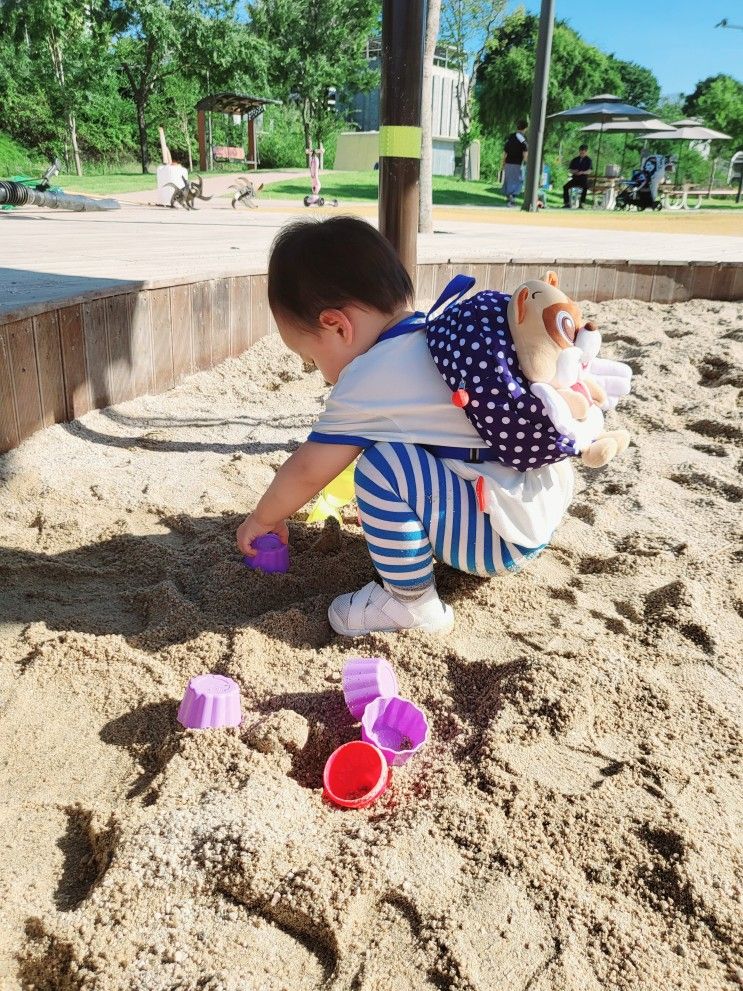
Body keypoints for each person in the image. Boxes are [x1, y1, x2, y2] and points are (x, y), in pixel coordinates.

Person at [235, 217, 630, 638]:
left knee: (381, 467)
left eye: (310, 358)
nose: (320, 373)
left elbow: (309, 469)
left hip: (495, 540)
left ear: (337, 326)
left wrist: (263, 519)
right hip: (537, 512)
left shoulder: (369, 377)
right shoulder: (442, 336)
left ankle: (412, 605)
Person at [502, 120, 528, 207]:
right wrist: (525, 162)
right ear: (525, 128)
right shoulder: (522, 139)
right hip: (517, 163)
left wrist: (503, 162)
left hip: (508, 162)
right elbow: (525, 150)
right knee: (518, 181)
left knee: (508, 180)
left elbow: (505, 151)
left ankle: (509, 198)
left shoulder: (511, 137)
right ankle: (512, 199)